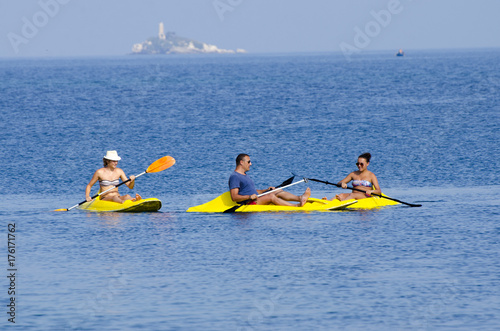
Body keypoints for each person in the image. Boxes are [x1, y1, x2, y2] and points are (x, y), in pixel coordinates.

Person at [229, 153, 311, 206]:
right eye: (249, 162)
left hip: (255, 198)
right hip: (249, 203)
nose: (251, 164)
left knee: (275, 190)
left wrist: (266, 190)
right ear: (241, 162)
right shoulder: (235, 177)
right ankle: (296, 206)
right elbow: (234, 197)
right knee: (271, 196)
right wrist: (249, 197)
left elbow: (252, 191)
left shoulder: (244, 175)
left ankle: (300, 198)